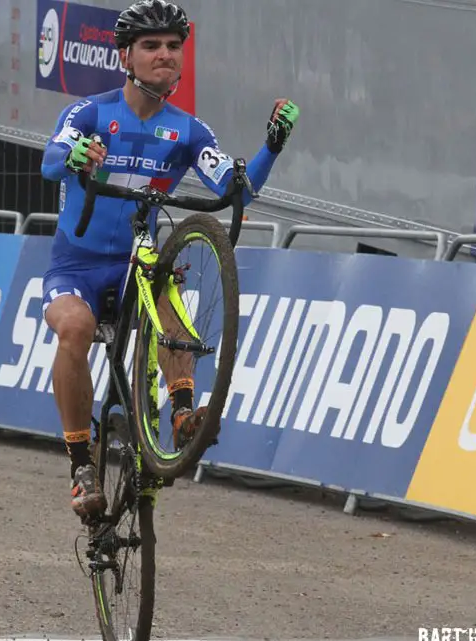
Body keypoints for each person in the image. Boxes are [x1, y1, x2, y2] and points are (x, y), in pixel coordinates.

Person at [39, 0, 299, 519]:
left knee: (169, 303)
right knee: (75, 330)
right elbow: (50, 161)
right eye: (151, 46)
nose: (164, 55)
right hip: (77, 267)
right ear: (126, 58)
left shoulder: (188, 131)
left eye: (174, 47)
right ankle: (80, 463)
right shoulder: (90, 113)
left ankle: (182, 414)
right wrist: (73, 156)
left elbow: (235, 191)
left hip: (138, 261)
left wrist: (270, 148)